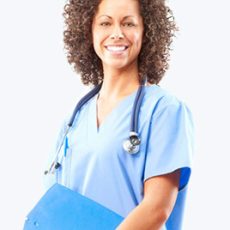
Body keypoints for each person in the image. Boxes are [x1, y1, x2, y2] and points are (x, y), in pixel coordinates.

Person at [45, 0, 194, 229]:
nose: (117, 33)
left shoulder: (164, 110)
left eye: (129, 23)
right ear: (89, 31)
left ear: (147, 31)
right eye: (105, 23)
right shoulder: (73, 121)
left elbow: (157, 209)